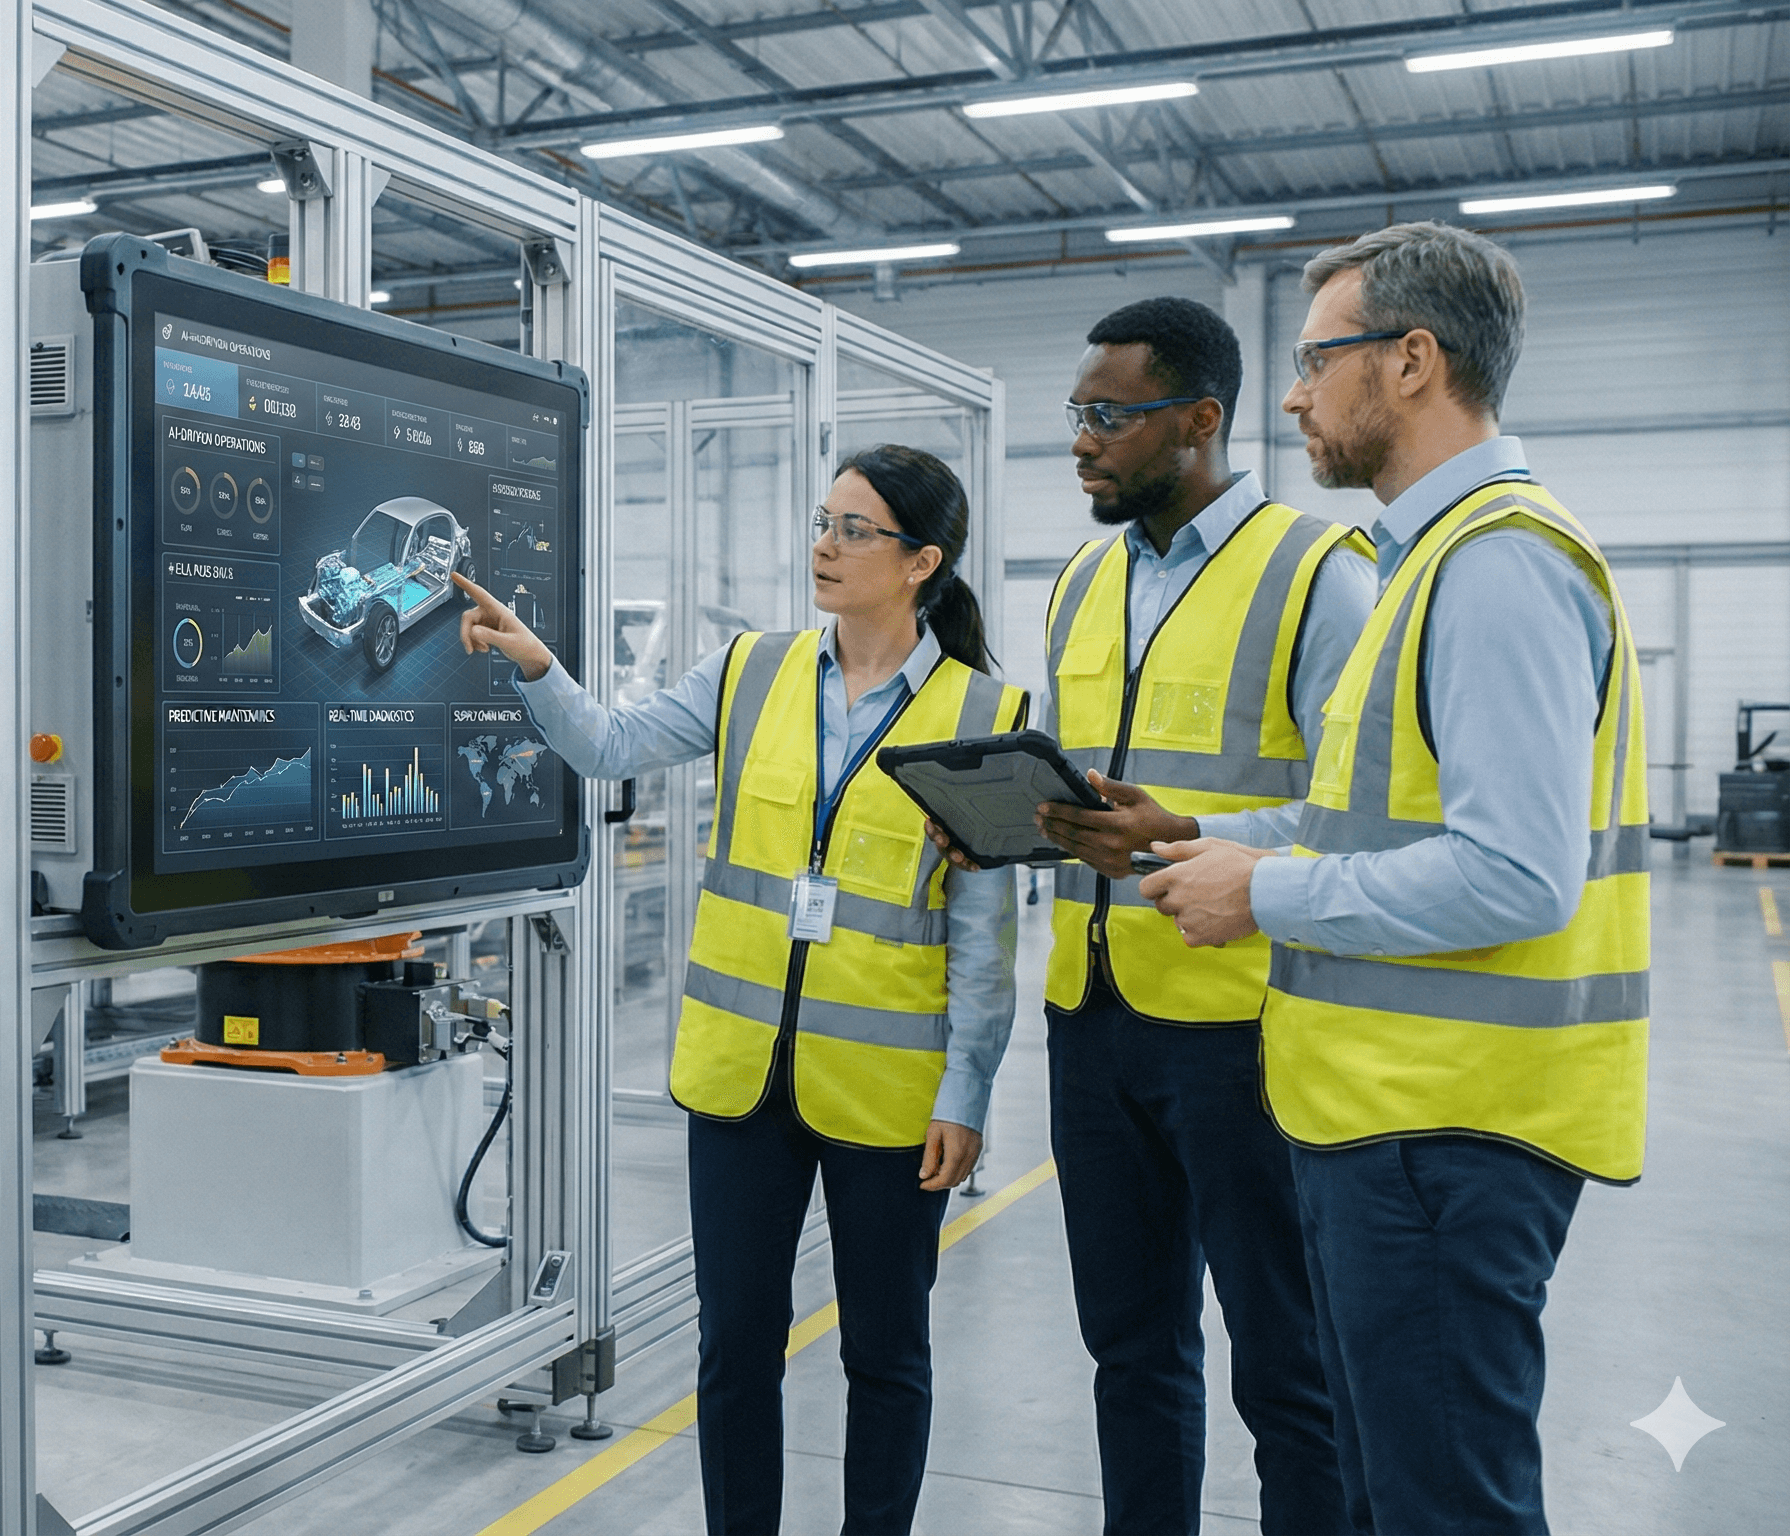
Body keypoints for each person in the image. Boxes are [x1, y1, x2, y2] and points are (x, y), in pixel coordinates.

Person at [1138, 222, 1650, 1536]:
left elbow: (1518, 877)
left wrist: (1265, 893)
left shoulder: (1496, 569)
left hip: (1449, 1137)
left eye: (1317, 360)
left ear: (1413, 359)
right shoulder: (1426, 563)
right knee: (1382, 1498)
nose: (1296, 395)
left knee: (1439, 1510)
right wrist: (1210, 833)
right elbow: (1374, 813)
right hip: (1390, 1125)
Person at [452, 445, 1023, 1536]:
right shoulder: (749, 671)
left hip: (889, 1093)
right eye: (824, 520)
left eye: (856, 530)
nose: (824, 545)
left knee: (887, 1354)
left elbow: (983, 934)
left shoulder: (980, 712)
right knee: (735, 1347)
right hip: (739, 1079)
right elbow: (611, 747)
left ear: (922, 563)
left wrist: (968, 1091)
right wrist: (536, 664)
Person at [1019, 296, 1376, 1535]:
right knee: (1130, 1348)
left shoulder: (1318, 574)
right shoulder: (1077, 581)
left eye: (1108, 416)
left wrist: (1179, 837)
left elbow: (1363, 814)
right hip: (1092, 1012)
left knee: (1288, 1366)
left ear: (1201, 420)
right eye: (1077, 415)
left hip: (1246, 1026)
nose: (1081, 441)